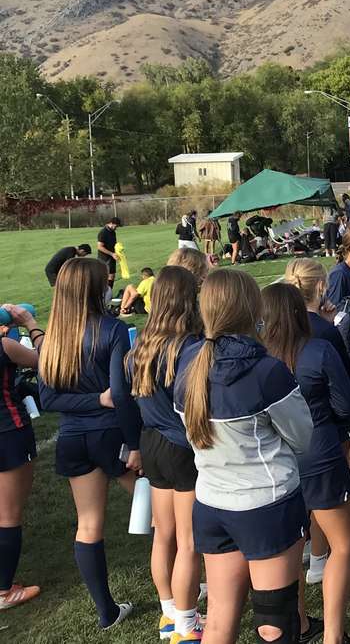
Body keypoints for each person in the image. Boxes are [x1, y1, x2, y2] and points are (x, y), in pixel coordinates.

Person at [175, 268, 314, 644]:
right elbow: (303, 438)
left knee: (220, 619)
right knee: (274, 624)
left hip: (212, 502)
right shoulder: (266, 370)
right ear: (252, 309)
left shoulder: (187, 363)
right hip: (263, 506)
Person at [38, 257, 140, 629]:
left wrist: (92, 402)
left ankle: (106, 612)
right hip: (111, 434)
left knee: (88, 524)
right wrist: (134, 442)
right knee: (162, 515)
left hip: (72, 439)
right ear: (96, 289)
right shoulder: (113, 329)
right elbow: (122, 395)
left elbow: (48, 400)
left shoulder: (52, 337)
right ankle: (187, 593)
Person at [261, 283, 350, 644]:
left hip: (277, 460)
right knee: (345, 544)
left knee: (293, 546)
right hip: (319, 453)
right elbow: (347, 405)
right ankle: (332, 636)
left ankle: (301, 623)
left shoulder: (261, 358)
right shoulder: (318, 350)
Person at [124, 266, 205, 642]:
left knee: (164, 535)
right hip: (179, 446)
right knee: (189, 540)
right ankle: (187, 628)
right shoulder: (188, 346)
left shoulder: (141, 341)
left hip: (151, 443)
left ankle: (169, 612)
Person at [285, 257, 350, 494]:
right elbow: (344, 390)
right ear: (321, 286)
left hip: (287, 425)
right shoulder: (324, 333)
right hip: (323, 428)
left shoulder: (278, 325)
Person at [0, 302, 43, 610]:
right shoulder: (6, 346)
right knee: (9, 515)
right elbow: (46, 362)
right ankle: (3, 591)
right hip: (9, 433)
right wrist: (28, 322)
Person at [96, 216, 121, 287]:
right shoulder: (103, 232)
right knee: (104, 277)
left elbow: (114, 244)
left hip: (112, 257)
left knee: (112, 276)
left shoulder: (113, 232)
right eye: (116, 226)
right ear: (111, 223)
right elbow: (100, 247)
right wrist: (112, 254)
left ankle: (109, 294)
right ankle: (102, 294)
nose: (117, 228)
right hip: (104, 258)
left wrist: (119, 251)